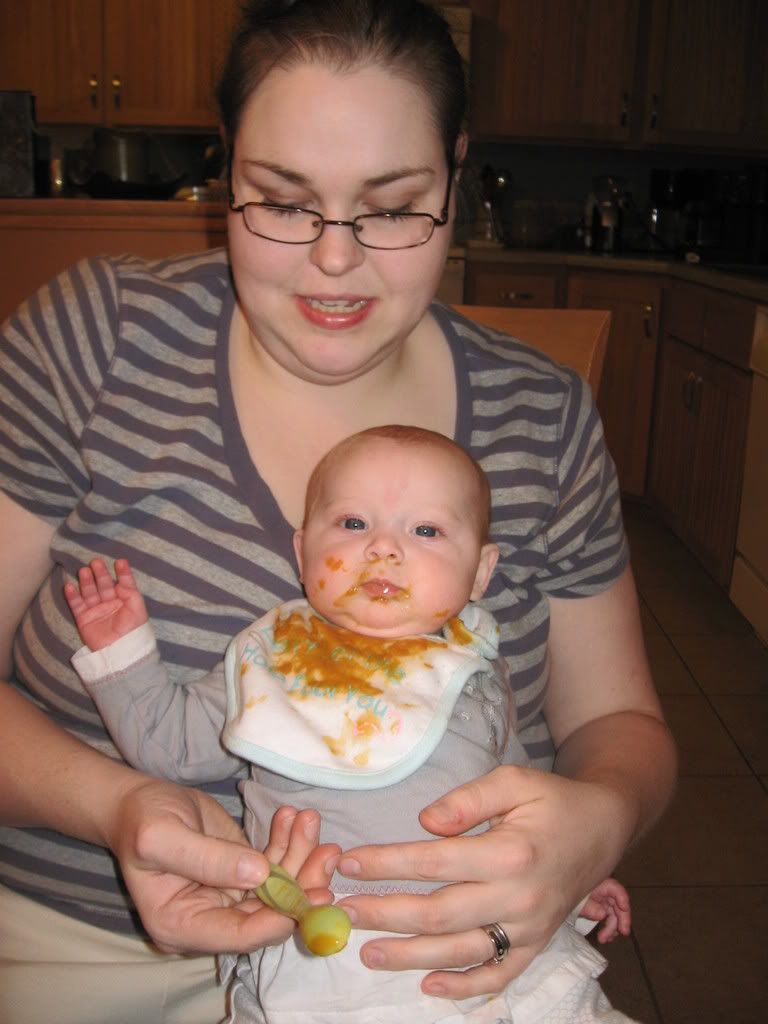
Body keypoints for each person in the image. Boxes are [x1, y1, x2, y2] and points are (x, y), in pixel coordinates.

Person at [0, 2, 676, 1022]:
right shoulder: (93, 339)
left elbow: (620, 725)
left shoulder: (544, 416)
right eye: (282, 200)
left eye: (393, 208)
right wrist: (117, 805)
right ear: (227, 168)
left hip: (443, 975)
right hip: (86, 954)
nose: (333, 259)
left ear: (455, 173)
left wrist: (599, 821)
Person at [63, 425, 635, 1023]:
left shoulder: (470, 664)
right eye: (354, 524)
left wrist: (571, 871)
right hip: (321, 953)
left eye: (426, 530)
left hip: (488, 946)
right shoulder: (275, 658)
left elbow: (519, 790)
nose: (383, 548)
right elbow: (170, 745)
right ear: (302, 551)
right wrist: (122, 654)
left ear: (480, 571)